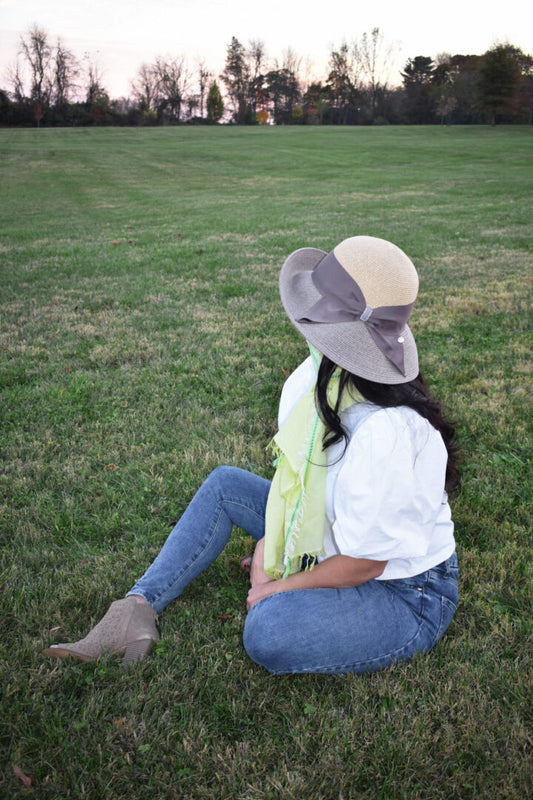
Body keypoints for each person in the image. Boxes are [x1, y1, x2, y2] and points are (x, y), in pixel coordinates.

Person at [43, 235, 460, 675]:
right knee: (225, 485)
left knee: (268, 632)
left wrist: (272, 584)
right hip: (332, 531)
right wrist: (273, 541)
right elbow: (295, 486)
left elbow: (367, 562)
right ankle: (135, 608)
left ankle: (294, 590)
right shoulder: (312, 378)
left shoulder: (388, 432)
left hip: (402, 591)